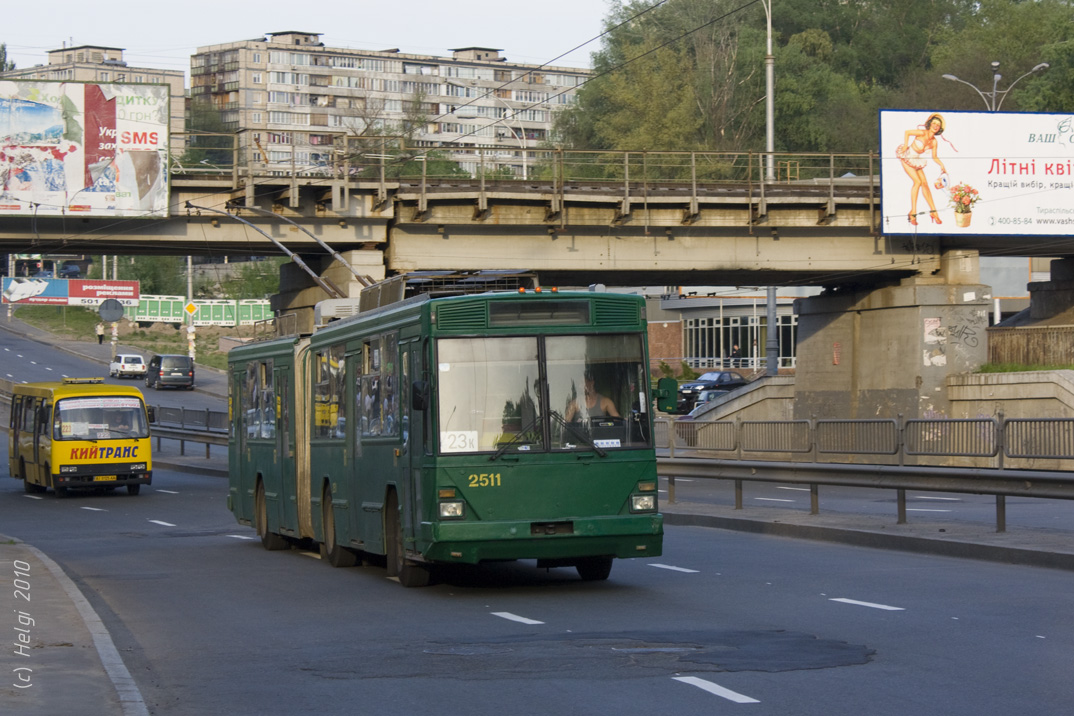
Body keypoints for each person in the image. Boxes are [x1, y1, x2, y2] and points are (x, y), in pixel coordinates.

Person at [896, 113, 950, 226]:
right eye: (934, 123)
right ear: (930, 124)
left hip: (916, 160)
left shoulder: (934, 141)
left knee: (925, 184)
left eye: (938, 125)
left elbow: (934, 157)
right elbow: (907, 132)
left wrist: (942, 165)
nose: (935, 126)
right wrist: (905, 145)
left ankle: (934, 212)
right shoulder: (922, 133)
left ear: (940, 128)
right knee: (918, 182)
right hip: (907, 156)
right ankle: (913, 212)